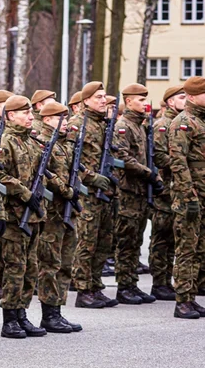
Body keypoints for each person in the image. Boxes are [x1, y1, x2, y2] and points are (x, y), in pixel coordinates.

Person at [0, 95, 47, 338]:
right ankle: (10, 318)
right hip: (15, 215)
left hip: (34, 214)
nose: (29, 116)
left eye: (30, 112)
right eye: (23, 113)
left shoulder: (31, 142)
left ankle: (22, 313)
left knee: (30, 267)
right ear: (9, 116)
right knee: (14, 267)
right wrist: (24, 192)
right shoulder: (5, 142)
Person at [69, 82, 120, 308]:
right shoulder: (77, 124)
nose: (102, 100)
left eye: (104, 97)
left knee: (104, 241)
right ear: (85, 101)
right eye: (98, 97)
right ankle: (82, 289)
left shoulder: (104, 125)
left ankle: (95, 285)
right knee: (86, 242)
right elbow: (70, 160)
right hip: (87, 193)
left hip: (106, 192)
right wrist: (90, 177)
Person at [34, 101, 82, 334]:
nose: (66, 122)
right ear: (47, 119)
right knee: (50, 262)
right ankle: (49, 312)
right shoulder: (42, 143)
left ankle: (58, 309)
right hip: (52, 212)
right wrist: (64, 189)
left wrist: (75, 188)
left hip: (67, 208)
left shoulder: (66, 144)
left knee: (65, 262)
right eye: (60, 118)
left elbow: (75, 171)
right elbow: (45, 173)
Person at [112, 83, 161, 305]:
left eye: (145, 100)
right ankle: (124, 286)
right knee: (126, 240)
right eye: (140, 100)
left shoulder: (140, 126)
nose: (145, 103)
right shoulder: (123, 126)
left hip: (140, 190)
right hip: (128, 190)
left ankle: (131, 283)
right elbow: (122, 157)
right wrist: (148, 174)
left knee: (135, 239)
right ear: (129, 101)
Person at [167, 76, 205, 318]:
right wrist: (189, 196)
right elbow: (178, 163)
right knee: (186, 250)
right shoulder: (183, 122)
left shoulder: (200, 122)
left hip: (202, 195)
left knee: (199, 249)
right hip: (189, 197)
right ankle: (182, 300)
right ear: (192, 96)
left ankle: (191, 296)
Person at [148, 85, 184, 301]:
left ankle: (166, 280)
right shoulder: (163, 125)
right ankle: (159, 282)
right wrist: (183, 164)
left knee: (172, 236)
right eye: (181, 97)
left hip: (177, 187)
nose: (185, 101)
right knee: (162, 237)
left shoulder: (181, 123)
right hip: (165, 188)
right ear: (170, 102)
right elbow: (159, 157)